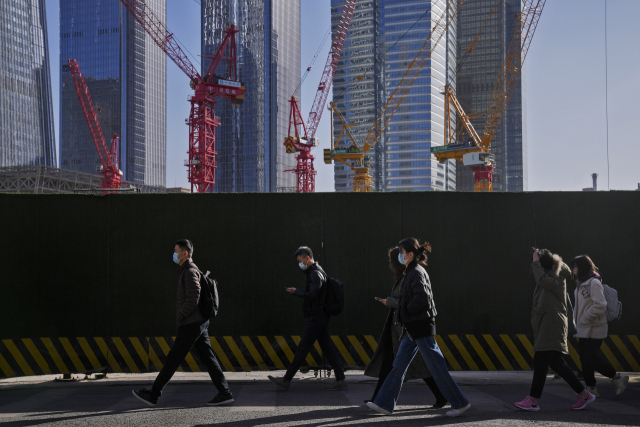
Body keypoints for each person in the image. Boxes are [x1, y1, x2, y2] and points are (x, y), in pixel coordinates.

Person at [366, 238, 471, 418]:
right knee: (398, 365)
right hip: (413, 327)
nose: (399, 255)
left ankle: (460, 402)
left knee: (436, 367)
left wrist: (405, 312)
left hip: (420, 327)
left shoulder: (416, 272)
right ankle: (383, 403)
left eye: (401, 252)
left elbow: (421, 298)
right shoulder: (411, 271)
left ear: (410, 254)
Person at [133, 240, 233, 407]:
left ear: (184, 253)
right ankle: (225, 393)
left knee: (173, 359)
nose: (174, 253)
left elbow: (193, 298)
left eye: (176, 250)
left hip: (191, 323)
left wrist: (180, 316)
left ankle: (153, 395)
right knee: (208, 358)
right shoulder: (189, 270)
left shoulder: (189, 271)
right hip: (198, 322)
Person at [364, 247, 447, 408]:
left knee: (418, 365)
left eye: (392, 260)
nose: (390, 263)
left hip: (405, 328)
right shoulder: (403, 277)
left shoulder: (410, 276)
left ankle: (445, 397)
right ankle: (378, 399)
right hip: (398, 328)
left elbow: (409, 300)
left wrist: (389, 302)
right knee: (390, 364)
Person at [514, 249, 595, 412]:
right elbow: (536, 275)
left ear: (544, 265)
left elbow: (542, 280)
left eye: (537, 264)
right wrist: (536, 260)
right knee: (553, 363)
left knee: (541, 360)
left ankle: (533, 400)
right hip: (549, 323)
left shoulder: (556, 275)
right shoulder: (550, 273)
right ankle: (583, 394)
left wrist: (536, 262)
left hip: (552, 324)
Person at [268, 246, 347, 391]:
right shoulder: (317, 271)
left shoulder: (315, 274)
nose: (300, 264)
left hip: (316, 317)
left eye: (300, 261)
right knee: (328, 348)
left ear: (307, 258)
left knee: (303, 348)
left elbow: (313, 295)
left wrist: (296, 292)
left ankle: (286, 380)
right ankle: (341, 379)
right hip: (320, 316)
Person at [570, 255, 629, 397]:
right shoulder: (581, 283)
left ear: (583, 267)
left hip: (595, 327)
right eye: (573, 267)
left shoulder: (594, 283)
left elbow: (600, 305)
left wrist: (584, 318)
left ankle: (617, 378)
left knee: (590, 358)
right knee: (585, 359)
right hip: (584, 328)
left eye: (576, 267)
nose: (574, 270)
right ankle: (591, 388)